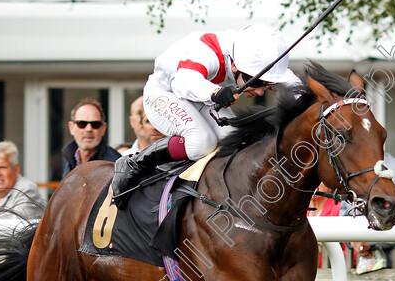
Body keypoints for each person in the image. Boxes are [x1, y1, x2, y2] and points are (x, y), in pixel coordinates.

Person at [112, 23, 299, 206]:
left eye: (266, 85)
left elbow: (299, 89)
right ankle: (134, 163)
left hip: (198, 98)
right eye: (256, 83)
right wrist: (216, 93)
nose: (260, 92)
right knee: (202, 142)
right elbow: (184, 82)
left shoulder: (253, 55)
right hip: (165, 92)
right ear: (234, 65)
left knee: (236, 143)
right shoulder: (207, 52)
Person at [61, 98, 120, 178]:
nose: (89, 129)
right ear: (71, 128)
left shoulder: (116, 165)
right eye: (81, 124)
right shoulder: (69, 157)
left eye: (95, 124)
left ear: (103, 128)